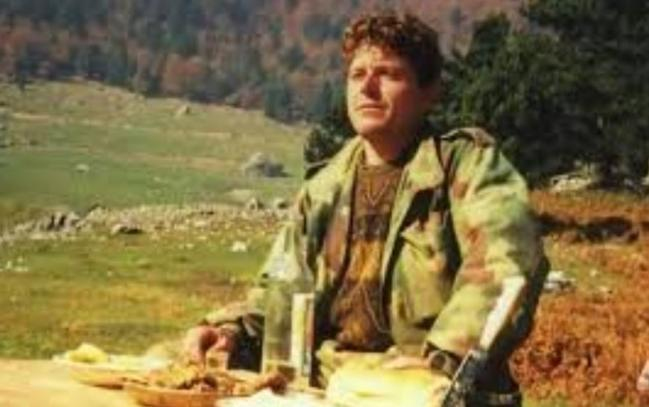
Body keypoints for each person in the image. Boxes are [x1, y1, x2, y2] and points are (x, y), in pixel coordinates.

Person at [182, 10, 548, 406]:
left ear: (429, 92)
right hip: (325, 384)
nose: (367, 88)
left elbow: (507, 269)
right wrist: (230, 330)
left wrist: (444, 358)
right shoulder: (322, 188)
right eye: (357, 75)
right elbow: (279, 290)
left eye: (388, 74)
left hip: (421, 387)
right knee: (168, 368)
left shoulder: (468, 167)